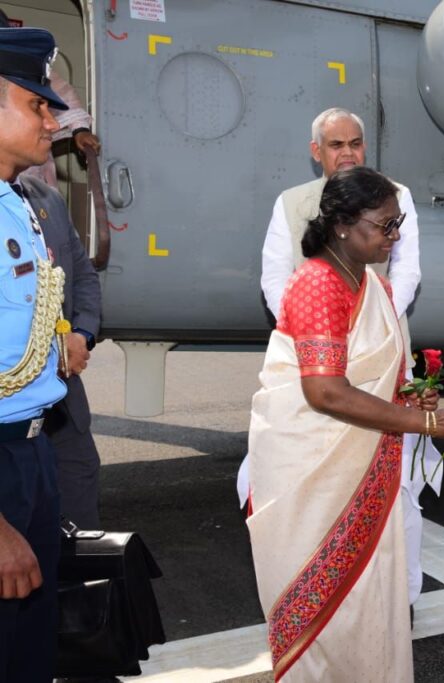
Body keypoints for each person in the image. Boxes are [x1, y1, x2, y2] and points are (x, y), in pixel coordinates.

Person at [246, 167, 444, 682]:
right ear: (343, 225)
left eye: (397, 224)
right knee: (325, 615)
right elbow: (325, 391)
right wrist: (426, 421)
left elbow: (369, 375)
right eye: (385, 226)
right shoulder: (316, 284)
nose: (394, 238)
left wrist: (409, 395)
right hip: (312, 473)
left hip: (360, 465)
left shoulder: (370, 283)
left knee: (368, 598)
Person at [251, 107, 433, 607]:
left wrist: (367, 333)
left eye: (355, 143)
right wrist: (320, 329)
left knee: (399, 489)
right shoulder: (292, 205)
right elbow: (274, 280)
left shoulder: (395, 198)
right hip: (316, 362)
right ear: (317, 152)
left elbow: (406, 274)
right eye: (337, 145)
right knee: (312, 491)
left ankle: (401, 598)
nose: (348, 152)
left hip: (381, 354)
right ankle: (323, 598)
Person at [0, 26, 70, 683]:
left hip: (31, 452)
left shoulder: (20, 205)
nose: (52, 118)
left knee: (29, 649)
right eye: (36, 104)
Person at [17, 174, 102, 530]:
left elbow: (82, 273)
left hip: (62, 398)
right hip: (13, 401)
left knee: (78, 479)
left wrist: (81, 333)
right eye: (38, 114)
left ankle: (77, 581)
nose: (51, 126)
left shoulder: (47, 198)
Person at [0, 10, 101, 189]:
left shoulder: (28, 69)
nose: (52, 124)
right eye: (37, 104)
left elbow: (65, 97)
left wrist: (80, 130)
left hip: (30, 180)